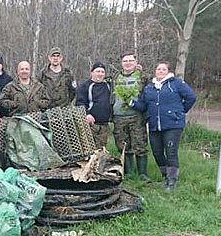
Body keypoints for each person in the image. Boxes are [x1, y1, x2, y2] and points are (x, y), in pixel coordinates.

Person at [130, 61, 197, 191]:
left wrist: (180, 111)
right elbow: (144, 106)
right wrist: (132, 103)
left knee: (171, 152)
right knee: (157, 152)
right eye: (158, 69)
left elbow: (191, 97)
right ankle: (165, 176)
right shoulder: (149, 87)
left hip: (172, 124)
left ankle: (172, 181)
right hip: (155, 125)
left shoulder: (176, 83)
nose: (160, 71)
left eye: (163, 69)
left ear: (168, 71)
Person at [111, 52, 151, 182]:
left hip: (136, 116)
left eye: (130, 61)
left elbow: (149, 95)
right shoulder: (115, 77)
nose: (127, 63)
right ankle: (128, 172)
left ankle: (142, 174)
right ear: (121, 63)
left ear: (135, 63)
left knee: (139, 144)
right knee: (123, 146)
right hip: (119, 117)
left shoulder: (143, 77)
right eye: (125, 61)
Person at [76, 62, 113, 150]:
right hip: (90, 125)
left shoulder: (108, 85)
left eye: (102, 72)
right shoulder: (85, 86)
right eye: (98, 71)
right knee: (88, 150)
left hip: (104, 125)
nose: (100, 74)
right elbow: (79, 103)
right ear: (92, 72)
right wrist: (87, 114)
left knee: (101, 150)